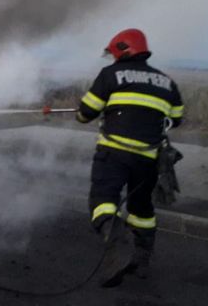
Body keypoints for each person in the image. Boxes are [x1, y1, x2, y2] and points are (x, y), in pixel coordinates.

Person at [76, 28, 184, 287]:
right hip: (148, 159)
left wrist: (93, 111)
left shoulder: (111, 74)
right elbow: (176, 118)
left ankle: (116, 240)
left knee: (102, 200)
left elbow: (85, 113)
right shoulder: (166, 82)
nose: (112, 59)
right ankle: (142, 260)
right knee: (141, 209)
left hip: (113, 153)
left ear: (123, 49)